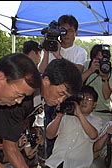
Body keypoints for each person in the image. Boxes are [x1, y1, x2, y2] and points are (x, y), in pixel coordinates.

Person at [38, 85, 102, 168]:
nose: (84, 101)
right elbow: (49, 134)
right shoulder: (65, 116)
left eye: (88, 99)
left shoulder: (96, 120)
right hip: (56, 162)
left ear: (94, 105)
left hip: (77, 166)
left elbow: (93, 135)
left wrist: (79, 115)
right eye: (82, 98)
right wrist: (59, 115)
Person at [38, 14, 88, 158]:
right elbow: (42, 72)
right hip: (51, 99)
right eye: (63, 30)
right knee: (51, 136)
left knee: (69, 134)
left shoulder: (80, 52)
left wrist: (58, 55)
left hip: (70, 99)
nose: (66, 34)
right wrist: (47, 50)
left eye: (70, 30)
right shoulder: (51, 46)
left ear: (76, 32)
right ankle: (50, 165)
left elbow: (77, 75)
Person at [82, 44, 112, 124]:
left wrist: (105, 78)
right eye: (98, 58)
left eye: (104, 58)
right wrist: (90, 70)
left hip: (103, 112)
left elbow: (106, 96)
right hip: (84, 110)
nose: (101, 61)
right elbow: (76, 84)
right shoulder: (87, 65)